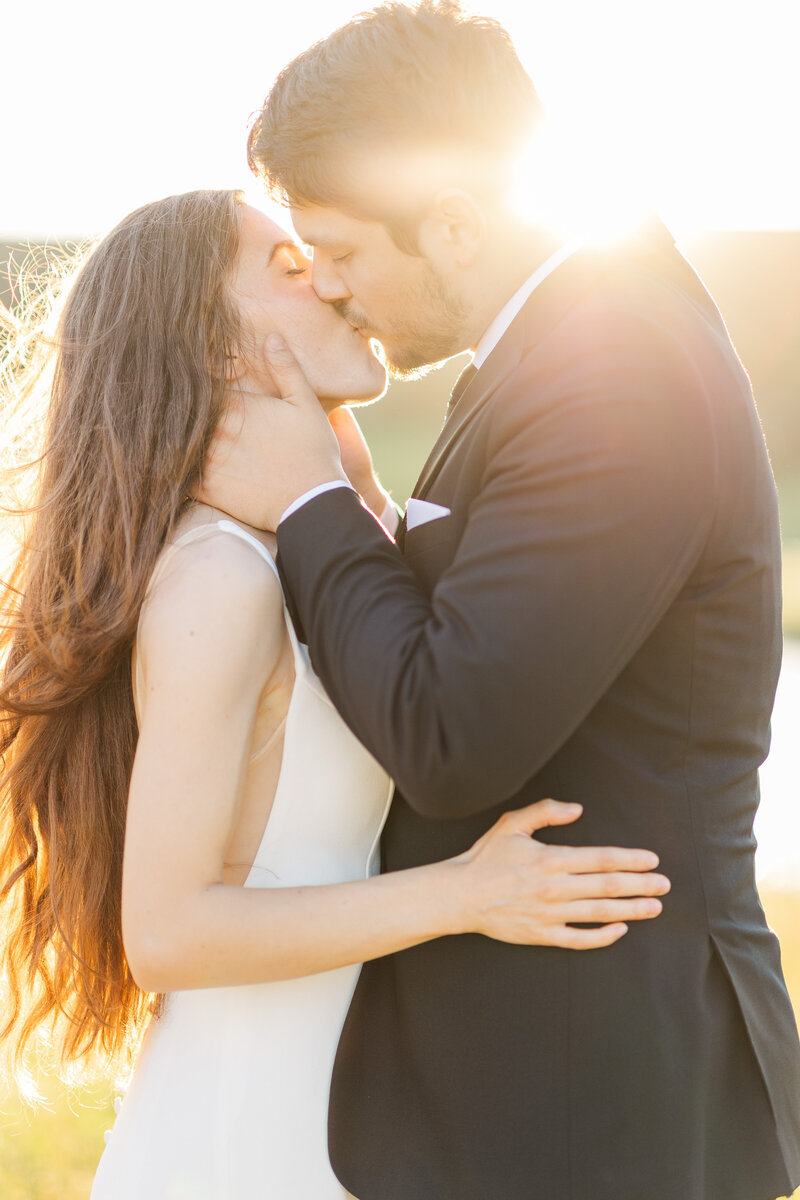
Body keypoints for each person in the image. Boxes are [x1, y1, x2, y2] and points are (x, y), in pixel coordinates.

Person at [196, 4, 800, 1199]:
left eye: (339, 250)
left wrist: (310, 501)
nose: (330, 288)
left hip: (590, 1089)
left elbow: (450, 733)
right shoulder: (555, 345)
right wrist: (361, 510)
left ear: (455, 224)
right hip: (537, 1077)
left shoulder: (615, 364)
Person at [0, 189, 670, 1200]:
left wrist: (349, 491)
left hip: (336, 1130)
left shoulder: (292, 551)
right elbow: (168, 933)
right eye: (287, 268)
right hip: (244, 1146)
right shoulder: (217, 578)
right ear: (213, 343)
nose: (328, 280)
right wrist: (469, 893)